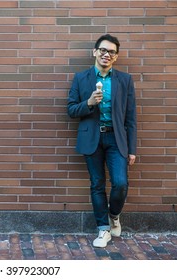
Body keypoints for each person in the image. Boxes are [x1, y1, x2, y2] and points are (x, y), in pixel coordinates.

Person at [67, 34, 137, 248]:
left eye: (112, 52)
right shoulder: (81, 78)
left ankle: (114, 214)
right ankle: (103, 229)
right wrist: (88, 103)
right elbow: (70, 110)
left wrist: (132, 149)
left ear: (116, 57)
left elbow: (131, 117)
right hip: (92, 138)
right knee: (97, 185)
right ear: (95, 52)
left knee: (120, 183)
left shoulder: (124, 80)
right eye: (103, 50)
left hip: (117, 139)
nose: (107, 54)